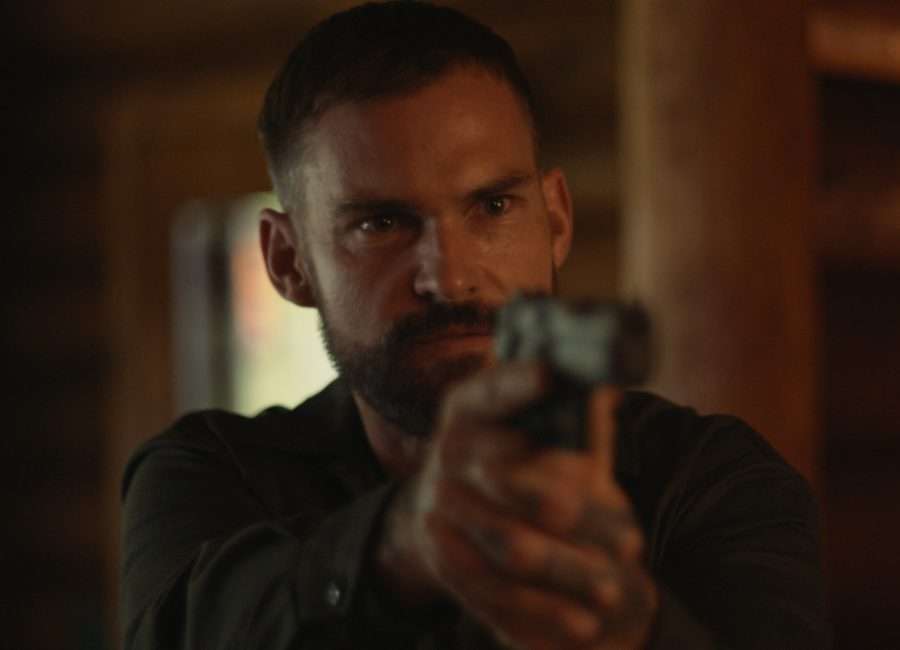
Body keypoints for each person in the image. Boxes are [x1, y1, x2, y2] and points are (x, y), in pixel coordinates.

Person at [120, 3, 829, 648]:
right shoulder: (213, 475)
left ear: (555, 220)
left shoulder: (708, 480)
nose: (450, 278)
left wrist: (630, 632)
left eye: (492, 207)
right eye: (382, 224)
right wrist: (403, 545)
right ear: (288, 261)